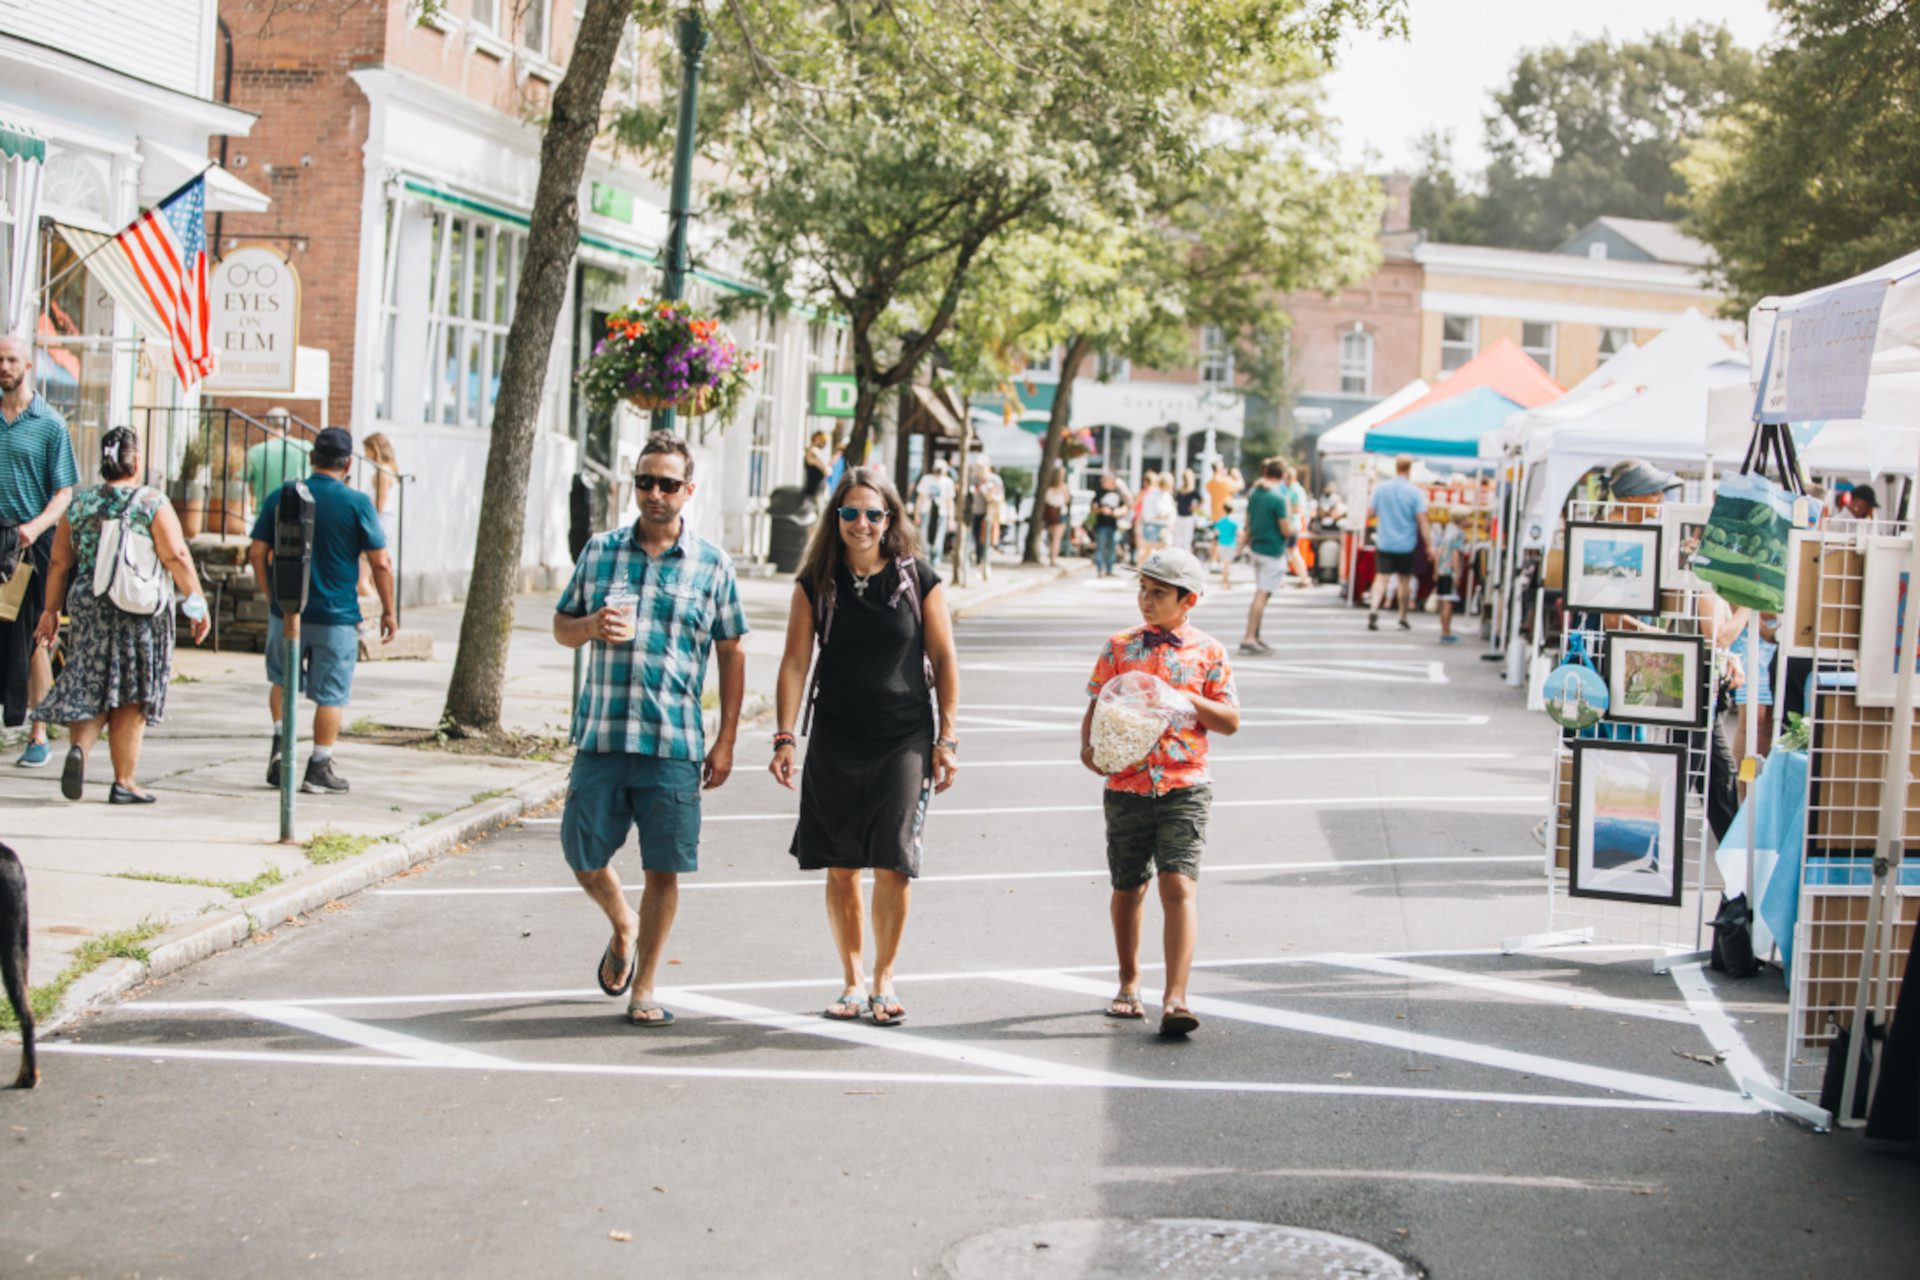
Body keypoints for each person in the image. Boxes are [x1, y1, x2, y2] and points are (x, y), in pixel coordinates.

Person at [552, 432, 748, 1026]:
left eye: (667, 483)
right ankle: (622, 923)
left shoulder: (713, 565)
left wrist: (727, 739)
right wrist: (589, 625)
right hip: (604, 734)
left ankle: (647, 987)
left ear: (689, 490)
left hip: (674, 742)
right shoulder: (601, 552)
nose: (655, 493)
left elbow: (732, 652)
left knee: (664, 867)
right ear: (632, 485)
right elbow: (562, 626)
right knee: (580, 850)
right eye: (645, 481)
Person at [771, 466, 959, 1024]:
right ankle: (852, 981)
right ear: (837, 518)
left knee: (895, 861)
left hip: (903, 736)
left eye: (873, 513)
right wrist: (785, 736)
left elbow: (945, 660)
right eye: (850, 512)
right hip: (835, 734)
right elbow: (795, 662)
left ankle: (884, 978)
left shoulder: (918, 579)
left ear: (890, 519)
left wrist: (947, 737)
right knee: (842, 864)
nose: (861, 523)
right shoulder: (816, 584)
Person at [1079, 547, 1239, 1036]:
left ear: (1188, 600)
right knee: (1129, 885)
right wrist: (1089, 747)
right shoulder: (1119, 647)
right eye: (1143, 590)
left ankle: (1176, 997)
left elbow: (1230, 720)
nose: (1146, 600)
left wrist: (1185, 698)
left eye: (1159, 593)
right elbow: (1096, 703)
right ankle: (1129, 981)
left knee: (1178, 883)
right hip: (1126, 783)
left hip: (1184, 783)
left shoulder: (1208, 652)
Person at [30, 429, 211, 802]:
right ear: (137, 461)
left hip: (89, 606)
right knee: (131, 692)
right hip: (137, 610)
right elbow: (176, 555)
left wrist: (50, 610)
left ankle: (79, 749)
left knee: (93, 685)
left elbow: (59, 562)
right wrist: (196, 603)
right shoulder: (151, 502)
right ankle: (124, 782)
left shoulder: (79, 504)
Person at [248, 427, 396, 795]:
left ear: (312, 458)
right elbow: (381, 563)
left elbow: (256, 552)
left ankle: (281, 751)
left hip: (287, 611)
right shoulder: (357, 503)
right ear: (347, 463)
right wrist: (390, 611)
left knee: (282, 680)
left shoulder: (282, 496)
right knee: (331, 694)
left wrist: (273, 596)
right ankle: (318, 765)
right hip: (336, 615)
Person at [0, 335, 79, 767]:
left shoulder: (49, 423)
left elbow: (65, 493)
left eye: (12, 359)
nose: (4, 366)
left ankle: (38, 732)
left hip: (33, 541)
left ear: (28, 366)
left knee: (34, 639)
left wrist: (34, 528)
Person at [1367, 455, 1431, 633]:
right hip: (1406, 543)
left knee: (1381, 578)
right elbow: (1422, 520)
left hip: (1385, 540)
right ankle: (1402, 616)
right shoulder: (1414, 492)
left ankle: (1373, 608)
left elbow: (1370, 512)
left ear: (1396, 467)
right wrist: (1430, 545)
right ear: (1409, 470)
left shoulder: (1381, 489)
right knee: (1404, 581)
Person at [1237, 458, 1293, 655]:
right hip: (1272, 550)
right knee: (1261, 595)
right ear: (1283, 475)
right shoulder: (1278, 497)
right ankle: (1249, 637)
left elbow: (1249, 524)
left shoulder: (1255, 493)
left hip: (1257, 547)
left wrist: (1241, 547)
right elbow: (1285, 529)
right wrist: (1293, 527)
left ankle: (1255, 635)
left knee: (1262, 593)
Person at [356, 432, 399, 600]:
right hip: (382, 525)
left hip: (376, 525)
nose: (366, 455)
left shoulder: (383, 472)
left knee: (363, 581)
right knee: (374, 578)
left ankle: (380, 611)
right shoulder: (389, 469)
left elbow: (379, 506)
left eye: (367, 450)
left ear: (375, 449)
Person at [243, 430, 312, 511]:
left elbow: (239, 481)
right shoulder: (306, 447)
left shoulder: (255, 451)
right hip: (299, 512)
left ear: (268, 428)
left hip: (264, 510)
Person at [913, 459, 955, 568]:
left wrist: (951, 519)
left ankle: (935, 561)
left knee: (939, 538)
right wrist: (916, 514)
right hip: (927, 511)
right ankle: (926, 559)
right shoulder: (927, 479)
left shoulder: (948, 482)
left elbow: (950, 502)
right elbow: (920, 498)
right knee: (924, 537)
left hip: (941, 513)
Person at [1432, 512, 1466, 645]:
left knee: (1442, 601)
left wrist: (1435, 570)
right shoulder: (1458, 534)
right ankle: (1447, 632)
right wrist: (1457, 573)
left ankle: (1444, 630)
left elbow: (1438, 553)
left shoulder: (1444, 532)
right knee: (1448, 603)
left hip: (1441, 570)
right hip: (1450, 571)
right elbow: (1456, 554)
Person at [967, 461, 1004, 579]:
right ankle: (980, 565)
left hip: (989, 513)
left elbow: (998, 496)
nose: (978, 472)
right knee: (978, 539)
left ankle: (985, 565)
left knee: (986, 539)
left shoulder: (995, 479)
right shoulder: (974, 479)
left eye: (980, 469)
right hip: (977, 512)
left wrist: (985, 490)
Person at [1090, 473, 1127, 577]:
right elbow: (1093, 508)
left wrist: (1117, 512)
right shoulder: (1099, 492)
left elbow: (1125, 507)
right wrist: (1101, 509)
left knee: (1112, 549)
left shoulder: (1118, 493)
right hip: (1101, 525)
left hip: (1113, 525)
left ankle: (1109, 569)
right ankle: (1100, 569)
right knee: (1100, 548)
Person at [1283, 466, 1313, 585]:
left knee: (1291, 552)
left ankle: (1304, 578)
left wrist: (1283, 509)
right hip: (1290, 525)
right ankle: (1303, 578)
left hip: (1292, 525)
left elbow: (1298, 508)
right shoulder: (1289, 489)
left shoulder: (1296, 490)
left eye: (1288, 477)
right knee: (1290, 552)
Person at [1139, 472, 1175, 554]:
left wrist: (1170, 522)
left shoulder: (1168, 496)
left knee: (1164, 550)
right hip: (1152, 526)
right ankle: (1140, 566)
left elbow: (1172, 512)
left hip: (1164, 527)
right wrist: (1158, 516)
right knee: (1147, 552)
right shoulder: (1152, 494)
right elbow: (1147, 514)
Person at [1042, 466, 1072, 566]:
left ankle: (1051, 557)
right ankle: (1053, 559)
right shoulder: (1064, 487)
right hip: (1060, 514)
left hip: (1051, 514)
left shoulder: (1048, 486)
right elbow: (1067, 500)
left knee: (1052, 537)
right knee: (1057, 538)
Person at [1172, 468, 1202, 551]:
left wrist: (1194, 508)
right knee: (1179, 540)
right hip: (1180, 517)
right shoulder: (1180, 491)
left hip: (1188, 517)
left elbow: (1201, 501)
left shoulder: (1193, 492)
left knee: (1186, 540)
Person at [803, 431, 831, 499]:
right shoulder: (813, 451)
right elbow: (827, 471)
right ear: (816, 439)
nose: (825, 443)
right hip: (814, 494)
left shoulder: (812, 451)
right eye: (823, 440)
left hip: (815, 493)